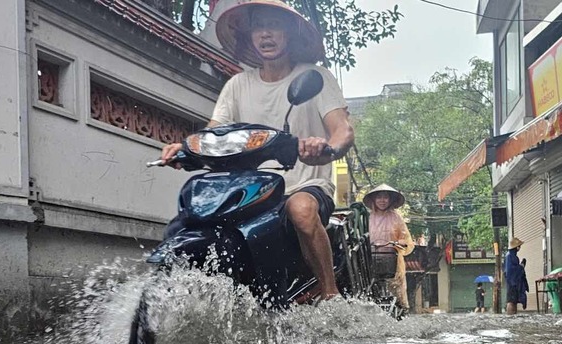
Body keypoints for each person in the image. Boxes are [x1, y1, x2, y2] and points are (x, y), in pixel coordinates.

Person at [160, 0, 354, 301]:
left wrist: (325, 147)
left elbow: (342, 130)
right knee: (196, 215)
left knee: (300, 211)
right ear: (249, 36)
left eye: (275, 26)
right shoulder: (237, 84)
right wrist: (184, 147)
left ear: (289, 34)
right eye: (259, 26)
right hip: (251, 190)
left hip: (304, 184)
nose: (266, 34)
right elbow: (213, 132)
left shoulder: (315, 78)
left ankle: (330, 292)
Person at [363, 184, 414, 311]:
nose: (382, 201)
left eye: (385, 197)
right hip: (371, 258)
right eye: (379, 197)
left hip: (392, 259)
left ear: (390, 200)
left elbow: (405, 237)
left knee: (397, 288)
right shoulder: (368, 217)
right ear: (374, 199)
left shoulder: (395, 217)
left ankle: (401, 309)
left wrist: (401, 243)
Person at [503, 237, 525, 315]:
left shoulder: (512, 256)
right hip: (512, 282)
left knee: (514, 300)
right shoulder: (510, 256)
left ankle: (513, 314)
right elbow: (510, 271)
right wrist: (521, 267)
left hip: (513, 282)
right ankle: (510, 315)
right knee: (511, 301)